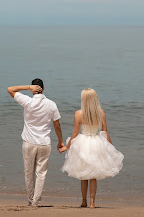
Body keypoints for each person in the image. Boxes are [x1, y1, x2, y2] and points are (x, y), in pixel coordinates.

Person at [58, 88, 124, 208]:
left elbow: (74, 133)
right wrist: (110, 145)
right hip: (97, 143)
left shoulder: (78, 113)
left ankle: (84, 201)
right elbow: (105, 130)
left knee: (84, 176)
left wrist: (67, 147)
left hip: (83, 144)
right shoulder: (101, 112)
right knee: (93, 176)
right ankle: (93, 203)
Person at [7, 78, 64, 207]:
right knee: (41, 173)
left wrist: (27, 87)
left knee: (28, 172)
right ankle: (36, 202)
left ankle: (30, 199)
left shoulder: (27, 101)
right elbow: (57, 126)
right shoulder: (51, 104)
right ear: (44, 88)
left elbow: (10, 89)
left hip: (29, 142)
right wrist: (60, 141)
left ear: (33, 89)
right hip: (44, 143)